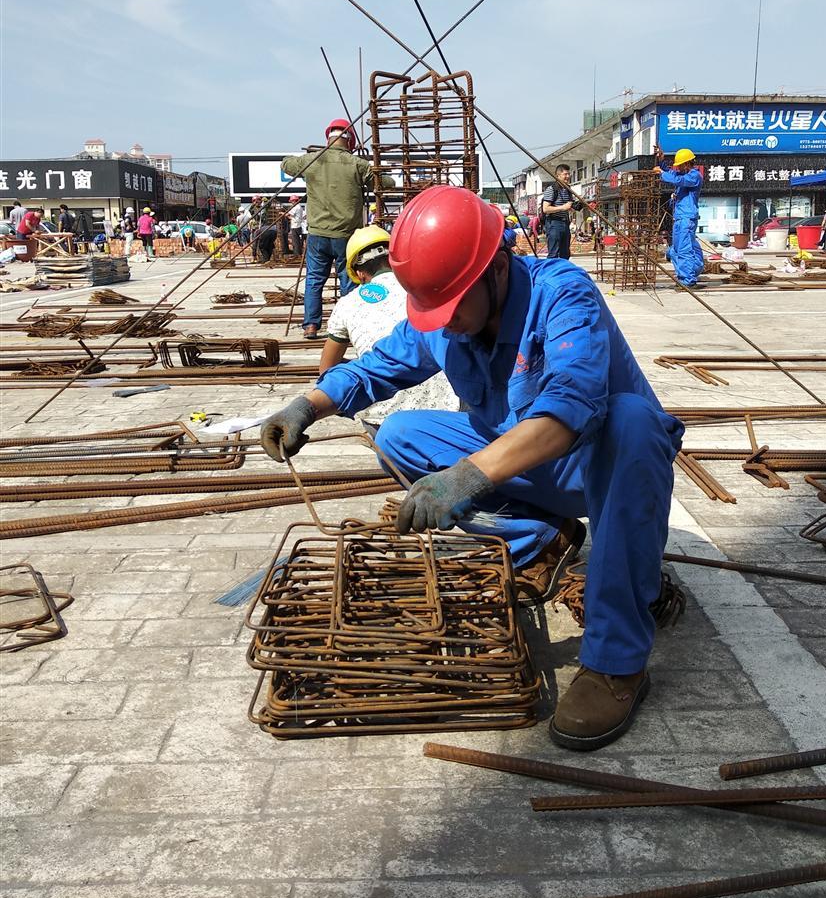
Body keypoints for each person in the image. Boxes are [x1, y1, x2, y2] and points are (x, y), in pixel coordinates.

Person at [260, 186, 683, 752]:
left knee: (632, 420)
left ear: (497, 268)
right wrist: (305, 405)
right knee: (401, 434)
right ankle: (541, 536)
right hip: (517, 458)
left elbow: (570, 409)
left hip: (598, 465)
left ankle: (617, 661)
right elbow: (376, 368)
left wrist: (466, 478)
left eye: (455, 305)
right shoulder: (443, 313)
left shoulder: (562, 294)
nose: (448, 323)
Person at [318, 225, 458, 432]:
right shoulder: (424, 290)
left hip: (382, 417)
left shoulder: (347, 304)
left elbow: (326, 370)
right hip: (448, 407)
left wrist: (362, 367)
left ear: (359, 274)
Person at [281, 119, 374, 339]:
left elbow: (286, 164)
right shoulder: (358, 164)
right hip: (347, 236)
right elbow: (381, 182)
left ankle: (311, 326)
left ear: (328, 138)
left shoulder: (312, 160)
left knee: (314, 280)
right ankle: (349, 327)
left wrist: (311, 154)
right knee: (349, 280)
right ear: (350, 142)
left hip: (318, 234)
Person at [653, 147, 704, 287]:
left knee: (684, 250)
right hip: (679, 219)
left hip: (687, 219)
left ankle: (688, 280)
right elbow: (673, 174)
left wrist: (662, 173)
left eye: (680, 165)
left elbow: (677, 179)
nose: (678, 168)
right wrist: (662, 161)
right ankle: (691, 271)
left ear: (687, 164)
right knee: (675, 250)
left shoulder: (694, 176)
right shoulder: (683, 176)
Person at [541, 164, 579, 259]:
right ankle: (551, 272)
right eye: (565, 174)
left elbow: (568, 207)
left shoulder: (568, 190)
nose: (568, 176)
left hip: (565, 223)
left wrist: (574, 206)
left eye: (568, 174)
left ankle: (562, 272)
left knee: (565, 253)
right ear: (558, 175)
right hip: (554, 223)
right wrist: (563, 207)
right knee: (554, 253)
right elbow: (545, 209)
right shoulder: (551, 189)